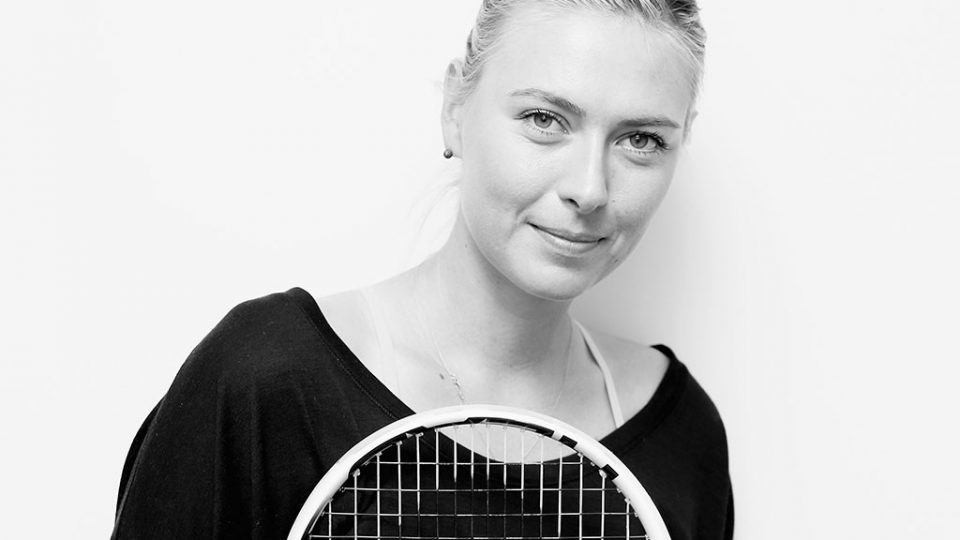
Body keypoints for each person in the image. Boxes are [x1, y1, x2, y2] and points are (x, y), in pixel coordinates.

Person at [111, 1, 732, 539]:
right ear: (456, 107)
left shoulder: (681, 433)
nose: (589, 188)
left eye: (641, 140)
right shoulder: (266, 380)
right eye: (545, 120)